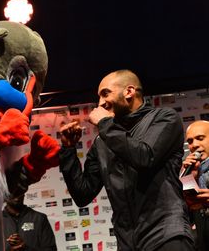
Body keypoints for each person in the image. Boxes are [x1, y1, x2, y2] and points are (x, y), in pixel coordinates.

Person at [59, 69, 195, 251]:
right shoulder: (102, 141)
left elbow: (145, 157)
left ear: (129, 92)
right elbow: (83, 194)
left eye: (105, 94)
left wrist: (105, 124)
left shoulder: (164, 118)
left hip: (166, 236)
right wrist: (68, 150)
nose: (100, 103)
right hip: (128, 244)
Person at [182, 120, 209, 251]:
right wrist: (188, 177)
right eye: (190, 141)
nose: (194, 145)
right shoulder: (192, 171)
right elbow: (188, 210)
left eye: (200, 138)